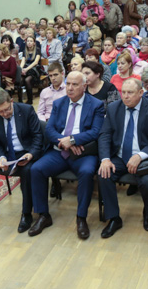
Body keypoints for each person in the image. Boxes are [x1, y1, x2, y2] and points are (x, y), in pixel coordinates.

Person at [28, 71, 105, 240]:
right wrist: (65, 143)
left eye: (74, 84)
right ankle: (43, 215)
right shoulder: (59, 103)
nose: (69, 88)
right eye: (68, 83)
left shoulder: (96, 105)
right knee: (36, 169)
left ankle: (81, 218)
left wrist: (73, 140)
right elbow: (49, 129)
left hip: (83, 153)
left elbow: (96, 131)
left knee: (86, 173)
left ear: (84, 86)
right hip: (59, 151)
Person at [97, 78, 148, 238]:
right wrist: (105, 159)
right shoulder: (114, 108)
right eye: (123, 92)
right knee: (104, 174)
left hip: (144, 158)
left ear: (141, 93)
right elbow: (105, 135)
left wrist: (139, 156)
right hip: (120, 156)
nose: (126, 96)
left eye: (130, 93)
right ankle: (114, 218)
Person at [0, 90, 43, 232]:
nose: (5, 114)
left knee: (27, 171)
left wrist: (30, 154)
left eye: (7, 109)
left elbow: (38, 136)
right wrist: (1, 157)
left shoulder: (26, 110)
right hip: (5, 153)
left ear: (11, 101)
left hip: (25, 152)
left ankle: (26, 213)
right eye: (0, 112)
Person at [20, 35, 42, 105]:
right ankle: (20, 100)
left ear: (34, 43)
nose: (29, 42)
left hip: (35, 69)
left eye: (31, 41)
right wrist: (21, 69)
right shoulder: (25, 51)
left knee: (27, 80)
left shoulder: (37, 50)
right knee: (20, 79)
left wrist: (26, 69)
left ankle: (30, 100)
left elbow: (35, 62)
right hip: (26, 69)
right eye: (28, 41)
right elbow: (23, 62)